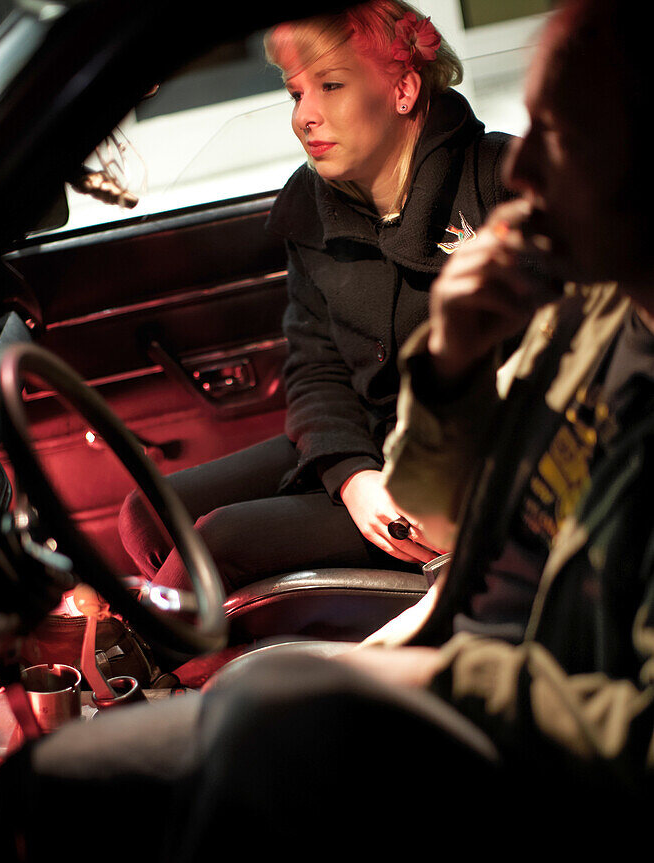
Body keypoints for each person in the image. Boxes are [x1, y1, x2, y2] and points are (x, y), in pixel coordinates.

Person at [0, 0, 654, 863]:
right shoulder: (580, 315)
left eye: (562, 138)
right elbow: (451, 526)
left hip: (546, 766)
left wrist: (413, 671)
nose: (528, 172)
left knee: (270, 707)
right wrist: (449, 371)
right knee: (52, 783)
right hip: (463, 662)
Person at [118, 0, 513, 594]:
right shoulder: (313, 206)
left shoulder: (503, 182)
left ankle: (155, 664)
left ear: (403, 88)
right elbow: (316, 366)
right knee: (146, 513)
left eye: (330, 85)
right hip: (371, 448)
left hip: (468, 479)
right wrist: (353, 476)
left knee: (219, 541)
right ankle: (191, 642)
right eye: (296, 93)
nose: (306, 116)